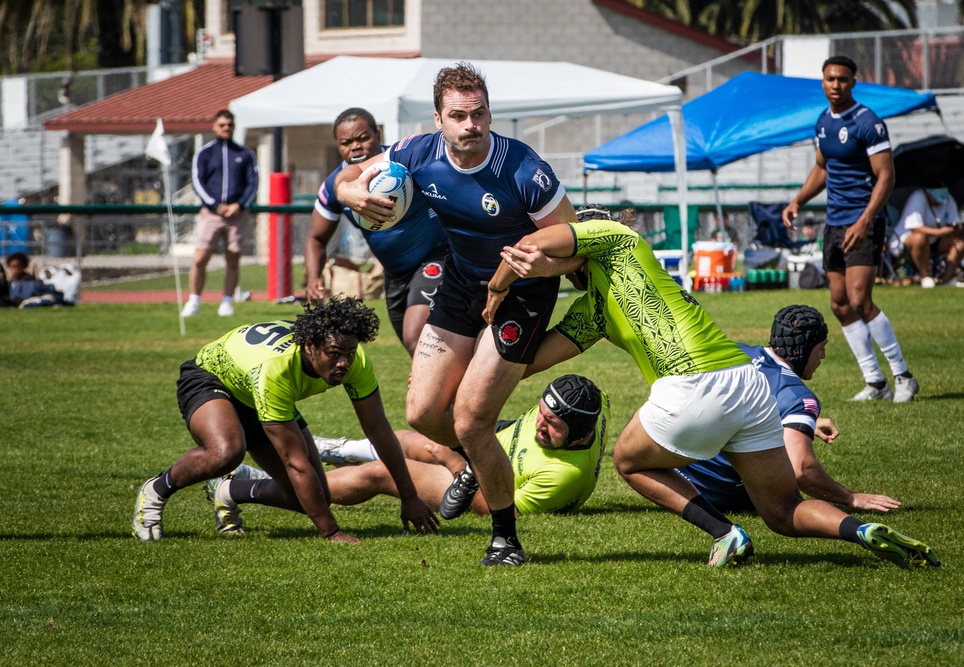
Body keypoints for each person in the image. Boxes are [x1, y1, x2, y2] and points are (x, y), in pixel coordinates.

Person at [483, 204, 939, 570]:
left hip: (691, 384)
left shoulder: (619, 240)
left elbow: (532, 243)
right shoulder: (593, 309)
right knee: (782, 511)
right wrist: (485, 357)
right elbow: (522, 363)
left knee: (628, 460)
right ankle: (860, 531)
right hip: (748, 384)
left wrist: (498, 289)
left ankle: (725, 533)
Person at [334, 62, 580, 566]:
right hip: (461, 281)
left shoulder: (523, 169)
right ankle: (472, 459)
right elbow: (347, 175)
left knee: (469, 419)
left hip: (524, 293)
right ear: (438, 120)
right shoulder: (416, 152)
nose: (472, 125)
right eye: (459, 116)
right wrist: (352, 192)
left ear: (490, 113)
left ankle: (505, 538)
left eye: (480, 114)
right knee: (422, 412)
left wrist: (550, 262)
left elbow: (576, 244)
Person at [132, 296, 439, 544]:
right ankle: (156, 489)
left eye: (349, 352)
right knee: (226, 452)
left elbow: (378, 429)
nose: (343, 362)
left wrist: (409, 496)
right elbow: (295, 462)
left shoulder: (355, 361)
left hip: (254, 391)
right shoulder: (277, 369)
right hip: (212, 378)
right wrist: (331, 533)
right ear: (310, 346)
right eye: (334, 353)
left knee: (316, 495)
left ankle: (231, 491)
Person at [214, 375, 610, 523]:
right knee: (410, 439)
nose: (540, 423)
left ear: (578, 433)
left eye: (552, 425)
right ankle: (337, 449)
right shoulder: (590, 404)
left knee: (385, 474)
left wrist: (454, 462)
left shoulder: (563, 475)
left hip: (483, 485)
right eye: (540, 413)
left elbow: (493, 507)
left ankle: (242, 487)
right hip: (484, 450)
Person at [781, 56, 919, 403]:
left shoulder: (868, 122)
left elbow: (886, 176)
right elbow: (822, 168)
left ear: (853, 82)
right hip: (835, 221)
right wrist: (797, 200)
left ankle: (903, 376)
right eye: (830, 78)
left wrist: (865, 219)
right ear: (822, 82)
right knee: (840, 305)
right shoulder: (823, 122)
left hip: (863, 220)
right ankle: (876, 382)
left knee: (860, 299)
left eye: (842, 79)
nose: (836, 84)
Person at [678, 304, 901, 514]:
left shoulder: (737, 352)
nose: (822, 356)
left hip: (680, 469)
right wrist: (850, 497)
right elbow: (801, 469)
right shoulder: (798, 396)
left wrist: (791, 421)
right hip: (722, 492)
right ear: (803, 350)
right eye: (821, 349)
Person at [305, 107, 449, 355]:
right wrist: (313, 278)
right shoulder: (335, 186)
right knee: (419, 353)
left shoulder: (406, 160)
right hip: (394, 274)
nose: (355, 147)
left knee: (418, 339)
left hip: (436, 259)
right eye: (346, 142)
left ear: (378, 135)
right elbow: (316, 238)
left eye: (363, 138)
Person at [181, 110, 258, 318]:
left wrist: (239, 205)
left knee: (233, 258)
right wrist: (216, 205)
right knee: (200, 258)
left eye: (230, 125)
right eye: (222, 125)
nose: (226, 128)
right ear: (215, 126)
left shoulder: (245, 154)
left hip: (237, 215)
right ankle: (194, 301)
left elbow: (253, 183)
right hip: (211, 214)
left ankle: (226, 302)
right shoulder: (205, 153)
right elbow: (198, 182)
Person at [889, 187, 964, 288]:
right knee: (919, 238)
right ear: (928, 194)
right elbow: (916, 228)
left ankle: (947, 279)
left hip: (933, 241)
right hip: (906, 242)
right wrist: (939, 232)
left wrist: (957, 228)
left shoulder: (948, 199)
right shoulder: (918, 198)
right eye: (937, 199)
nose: (939, 202)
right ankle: (926, 277)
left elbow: (955, 221)